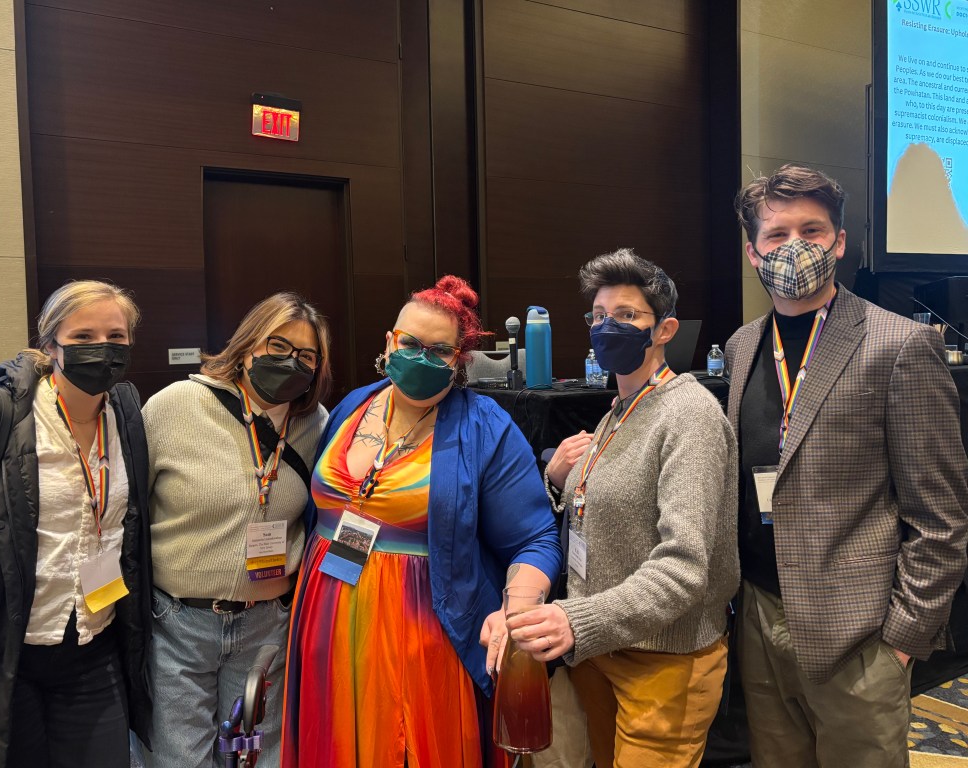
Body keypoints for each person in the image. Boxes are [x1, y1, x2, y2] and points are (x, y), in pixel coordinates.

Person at [727, 164, 968, 767]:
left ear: (839, 242)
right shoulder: (741, 345)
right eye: (777, 234)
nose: (795, 246)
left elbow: (939, 515)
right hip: (759, 616)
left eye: (813, 230)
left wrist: (904, 639)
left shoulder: (901, 346)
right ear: (754, 251)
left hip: (859, 636)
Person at [281, 275, 562, 768]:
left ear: (460, 361)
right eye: (409, 343)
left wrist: (516, 614)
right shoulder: (353, 406)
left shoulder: (486, 426)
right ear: (389, 342)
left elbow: (536, 539)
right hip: (325, 622)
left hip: (425, 633)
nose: (420, 357)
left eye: (439, 350)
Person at [517, 248, 740, 768]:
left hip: (664, 660)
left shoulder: (689, 415)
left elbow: (683, 569)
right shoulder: (618, 410)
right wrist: (556, 482)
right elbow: (593, 507)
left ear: (664, 330)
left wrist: (578, 620)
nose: (607, 327)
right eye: (598, 317)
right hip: (600, 650)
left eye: (626, 316)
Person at [0, 280, 152, 768]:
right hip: (3, 656)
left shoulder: (126, 413)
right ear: (50, 344)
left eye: (115, 337)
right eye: (82, 337)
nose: (101, 349)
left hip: (93, 647)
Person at [142, 292, 331, 767]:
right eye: (279, 347)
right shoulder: (175, 405)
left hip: (266, 625)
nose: (292, 362)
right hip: (179, 624)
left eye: (306, 356)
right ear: (247, 347)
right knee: (177, 758)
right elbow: (129, 510)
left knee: (257, 759)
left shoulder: (317, 425)